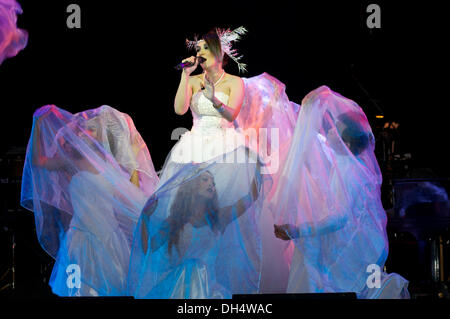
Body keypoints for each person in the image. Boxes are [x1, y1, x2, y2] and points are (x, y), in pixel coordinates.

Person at [127, 28, 272, 298]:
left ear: (219, 53)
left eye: (205, 48)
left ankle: (210, 271)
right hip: (194, 144)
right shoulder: (193, 79)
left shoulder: (234, 83)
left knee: (217, 210)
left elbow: (230, 115)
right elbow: (179, 109)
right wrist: (185, 75)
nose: (200, 53)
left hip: (222, 144)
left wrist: (214, 98)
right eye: (199, 48)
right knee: (182, 208)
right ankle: (180, 271)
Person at [272, 86, 410, 298]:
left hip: (351, 247)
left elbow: (339, 217)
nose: (328, 132)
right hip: (352, 242)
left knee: (314, 272)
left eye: (334, 129)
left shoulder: (350, 172)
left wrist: (299, 230)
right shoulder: (345, 163)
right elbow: (310, 141)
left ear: (346, 141)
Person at [21, 104, 158, 296]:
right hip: (81, 238)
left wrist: (132, 158)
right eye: (85, 127)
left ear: (103, 134)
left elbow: (132, 196)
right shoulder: (71, 161)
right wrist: (37, 123)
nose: (86, 130)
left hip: (110, 239)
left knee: (112, 289)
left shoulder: (112, 164)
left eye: (93, 128)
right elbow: (39, 162)